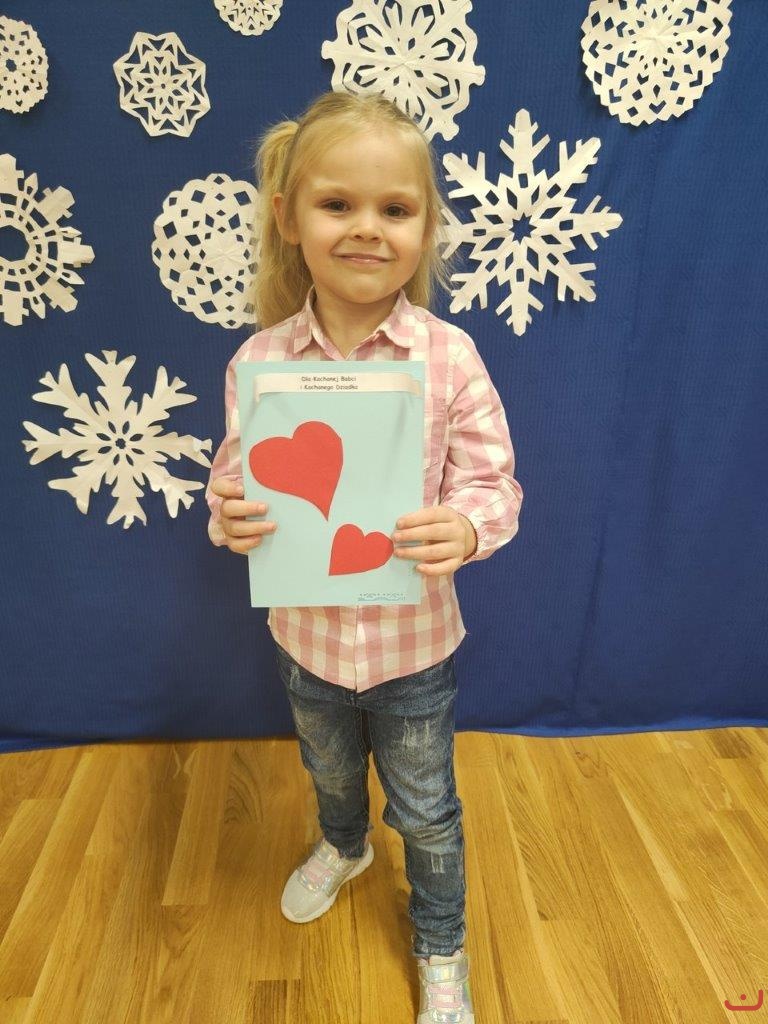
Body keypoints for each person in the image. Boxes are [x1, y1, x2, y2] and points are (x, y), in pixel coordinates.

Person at [205, 90, 523, 1024]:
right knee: (332, 774)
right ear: (289, 218)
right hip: (306, 643)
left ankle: (442, 946)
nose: (367, 228)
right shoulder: (259, 363)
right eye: (337, 204)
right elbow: (233, 481)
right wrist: (230, 517)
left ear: (426, 228)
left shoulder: (449, 357)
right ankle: (343, 845)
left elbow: (495, 484)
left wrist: (466, 527)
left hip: (414, 650)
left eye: (396, 208)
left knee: (426, 811)